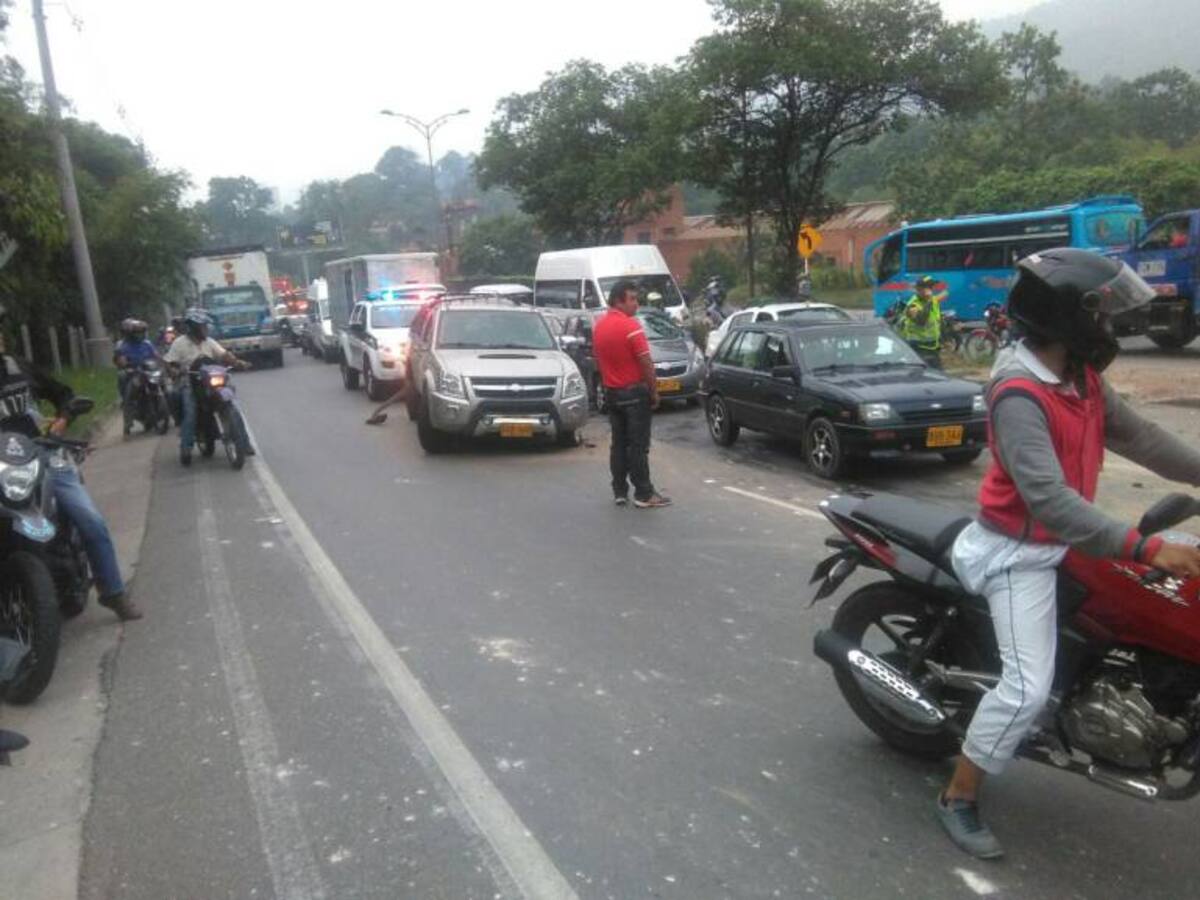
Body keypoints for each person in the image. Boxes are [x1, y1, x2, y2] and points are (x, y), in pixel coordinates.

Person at [936, 248, 1200, 860]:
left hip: (1069, 543)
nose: (1110, 330)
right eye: (1102, 318)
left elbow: (1142, 437)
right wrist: (1145, 547)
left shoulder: (1080, 376)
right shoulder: (1019, 391)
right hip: (1017, 551)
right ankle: (959, 795)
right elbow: (1050, 501)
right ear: (1067, 318)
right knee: (1027, 691)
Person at [0, 301, 142, 620]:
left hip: (42, 453)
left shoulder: (18, 368)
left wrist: (62, 419)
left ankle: (113, 593)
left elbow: (63, 394)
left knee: (89, 520)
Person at [592, 280, 670, 509]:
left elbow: (601, 361)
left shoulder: (600, 328)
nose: (636, 304)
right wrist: (654, 391)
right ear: (618, 301)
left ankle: (619, 490)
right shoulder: (631, 327)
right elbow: (646, 362)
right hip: (635, 393)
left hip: (612, 393)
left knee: (618, 444)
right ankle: (644, 493)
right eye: (632, 299)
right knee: (638, 445)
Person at [164, 308, 250, 466]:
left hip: (211, 380)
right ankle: (186, 447)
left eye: (205, 326)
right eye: (202, 326)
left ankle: (244, 443)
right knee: (190, 411)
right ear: (193, 327)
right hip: (190, 382)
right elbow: (170, 364)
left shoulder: (209, 342)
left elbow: (224, 355)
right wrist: (176, 370)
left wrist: (238, 362)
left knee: (233, 405)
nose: (205, 329)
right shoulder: (179, 343)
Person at [897, 274, 943, 368]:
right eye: (928, 287)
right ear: (920, 289)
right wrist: (928, 301)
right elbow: (921, 320)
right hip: (918, 349)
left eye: (931, 287)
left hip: (932, 348)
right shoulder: (913, 304)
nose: (931, 290)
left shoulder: (932, 301)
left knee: (938, 378)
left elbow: (935, 321)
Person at [113, 318, 158, 405]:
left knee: (160, 379)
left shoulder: (147, 344)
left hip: (148, 369)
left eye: (141, 332)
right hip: (133, 371)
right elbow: (121, 360)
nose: (140, 335)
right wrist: (126, 364)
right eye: (137, 333)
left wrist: (164, 364)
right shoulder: (122, 346)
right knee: (122, 376)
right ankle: (126, 400)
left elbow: (156, 356)